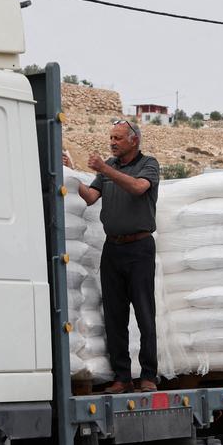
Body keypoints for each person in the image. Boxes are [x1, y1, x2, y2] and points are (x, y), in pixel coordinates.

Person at [66, 120, 161, 394]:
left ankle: (148, 375)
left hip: (139, 248)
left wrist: (105, 169)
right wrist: (71, 175)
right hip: (114, 249)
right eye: (110, 138)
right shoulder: (110, 166)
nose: (113, 142)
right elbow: (90, 197)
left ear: (134, 140)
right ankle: (122, 376)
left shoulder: (148, 164)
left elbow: (138, 188)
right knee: (114, 315)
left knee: (144, 313)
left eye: (118, 138)